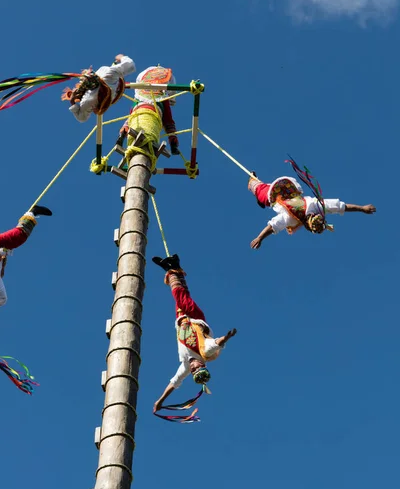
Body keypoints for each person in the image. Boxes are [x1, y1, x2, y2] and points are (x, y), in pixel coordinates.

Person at [151, 254, 237, 413]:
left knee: (182, 297)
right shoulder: (204, 352)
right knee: (181, 298)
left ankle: (174, 267)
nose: (193, 369)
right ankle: (172, 269)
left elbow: (174, 383)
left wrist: (160, 401)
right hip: (195, 318)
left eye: (193, 372)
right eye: (197, 368)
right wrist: (228, 337)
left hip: (182, 320)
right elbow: (217, 343)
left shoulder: (185, 365)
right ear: (202, 365)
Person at [248, 174, 376, 249]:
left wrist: (362, 208)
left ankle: (256, 184)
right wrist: (260, 238)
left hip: (282, 190)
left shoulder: (316, 206)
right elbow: (272, 226)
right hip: (273, 195)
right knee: (257, 188)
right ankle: (253, 181)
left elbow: (339, 206)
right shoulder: (294, 216)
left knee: (261, 188)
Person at [116, 65, 180, 155]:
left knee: (132, 118)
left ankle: (121, 135)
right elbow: (168, 119)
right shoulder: (164, 93)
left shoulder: (142, 85)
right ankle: (173, 143)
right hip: (157, 104)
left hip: (139, 103)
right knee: (168, 122)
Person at [61, 54, 136, 123]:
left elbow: (130, 65)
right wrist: (72, 102)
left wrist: (121, 57)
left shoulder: (108, 74)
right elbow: (82, 118)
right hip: (105, 89)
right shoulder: (86, 98)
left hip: (107, 88)